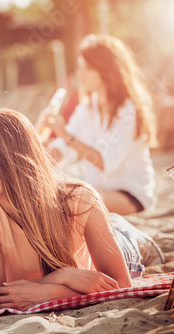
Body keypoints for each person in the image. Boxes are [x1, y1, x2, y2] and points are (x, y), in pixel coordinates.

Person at [0, 108, 160, 315]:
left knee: (126, 237)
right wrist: (60, 278)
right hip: (80, 279)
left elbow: (120, 284)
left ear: (14, 158)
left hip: (121, 246)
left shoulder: (79, 198)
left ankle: (143, 243)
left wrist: (46, 291)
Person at [43, 34, 157, 215]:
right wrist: (35, 159)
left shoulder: (128, 110)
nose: (80, 74)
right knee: (47, 195)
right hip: (96, 193)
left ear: (106, 71)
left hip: (131, 195)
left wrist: (64, 134)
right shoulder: (87, 108)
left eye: (87, 68)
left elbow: (105, 162)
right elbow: (63, 149)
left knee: (70, 199)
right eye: (79, 67)